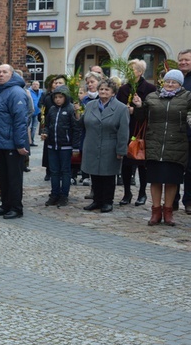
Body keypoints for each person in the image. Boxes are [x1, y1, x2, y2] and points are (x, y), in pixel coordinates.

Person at [131, 69, 191, 226]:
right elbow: (140, 118)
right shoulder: (152, 97)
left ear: (180, 84)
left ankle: (168, 212)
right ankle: (156, 212)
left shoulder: (187, 98)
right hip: (154, 143)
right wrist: (138, 106)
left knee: (172, 181)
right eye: (168, 81)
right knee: (156, 180)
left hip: (177, 145)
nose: (170, 84)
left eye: (174, 82)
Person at [0, 65, 29, 219]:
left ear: (12, 74)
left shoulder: (16, 93)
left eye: (4, 72)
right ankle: (5, 204)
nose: (1, 75)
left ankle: (16, 207)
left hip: (12, 144)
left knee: (13, 177)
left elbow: (20, 120)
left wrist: (20, 144)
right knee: (2, 176)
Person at [79, 79, 129, 213]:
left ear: (113, 93)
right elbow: (82, 124)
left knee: (108, 176)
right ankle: (97, 200)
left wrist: (121, 150)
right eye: (101, 89)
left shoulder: (121, 108)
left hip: (110, 146)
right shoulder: (90, 105)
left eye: (107, 89)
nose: (103, 91)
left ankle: (107, 201)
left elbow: (123, 131)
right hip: (92, 144)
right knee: (94, 174)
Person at [116, 59, 155, 206]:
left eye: (131, 69)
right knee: (126, 164)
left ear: (140, 72)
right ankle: (127, 193)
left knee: (141, 162)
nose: (128, 72)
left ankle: (142, 193)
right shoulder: (123, 89)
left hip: (142, 130)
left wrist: (137, 109)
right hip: (126, 129)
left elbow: (153, 110)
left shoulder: (150, 88)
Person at [41, 85, 80, 207]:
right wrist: (45, 133)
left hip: (66, 146)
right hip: (52, 146)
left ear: (66, 97)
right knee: (54, 171)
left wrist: (75, 147)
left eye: (60, 97)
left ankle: (64, 195)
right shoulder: (52, 110)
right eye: (56, 97)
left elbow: (76, 129)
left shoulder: (70, 109)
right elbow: (47, 125)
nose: (58, 99)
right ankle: (54, 194)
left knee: (65, 171)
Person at [177, 49, 191, 215]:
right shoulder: (173, 78)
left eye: (187, 60)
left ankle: (188, 200)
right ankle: (171, 202)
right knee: (175, 168)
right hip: (175, 131)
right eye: (181, 60)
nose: (183, 63)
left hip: (189, 132)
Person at [27, 80, 42, 144]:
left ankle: (32, 141)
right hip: (29, 113)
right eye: (34, 84)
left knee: (34, 128)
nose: (35, 85)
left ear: (39, 86)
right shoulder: (28, 91)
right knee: (29, 127)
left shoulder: (41, 92)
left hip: (37, 113)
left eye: (37, 84)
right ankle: (28, 141)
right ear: (31, 85)